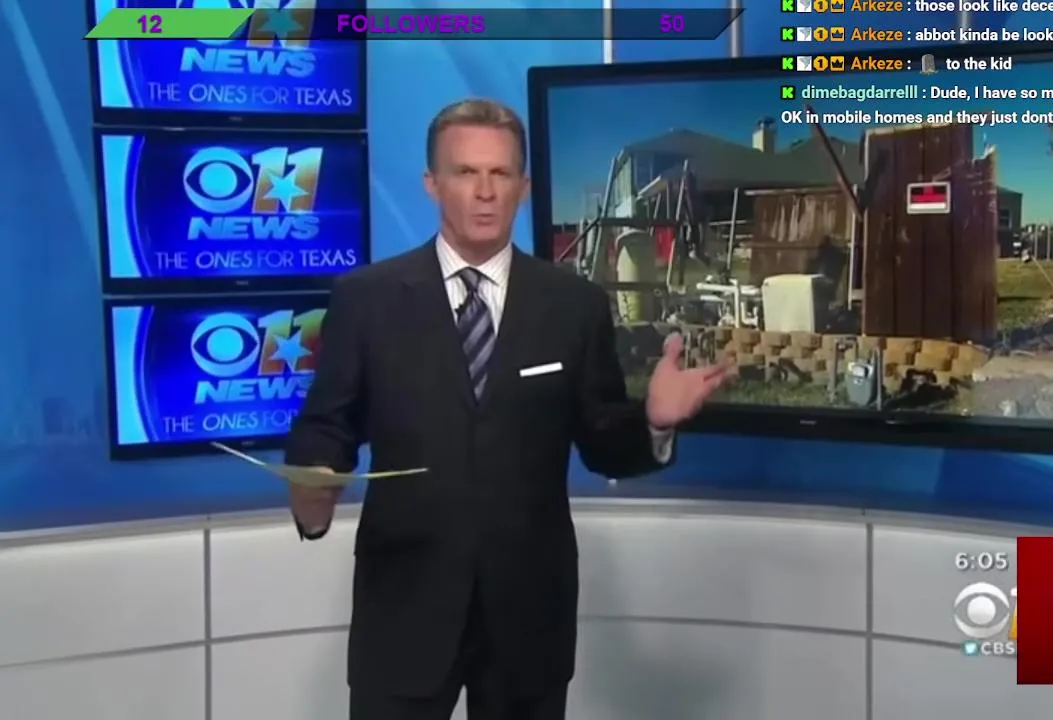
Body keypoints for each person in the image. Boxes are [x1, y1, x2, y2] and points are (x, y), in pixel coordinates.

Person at [284, 98, 730, 720]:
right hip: (405, 610)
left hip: (528, 618)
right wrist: (313, 487)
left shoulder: (572, 305)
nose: (485, 192)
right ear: (432, 184)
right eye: (466, 172)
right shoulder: (368, 299)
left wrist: (653, 421)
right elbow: (326, 423)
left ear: (524, 187)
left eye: (500, 174)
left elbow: (603, 441)